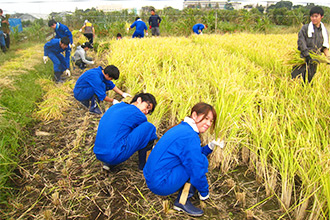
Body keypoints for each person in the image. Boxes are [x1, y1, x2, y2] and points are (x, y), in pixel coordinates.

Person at [144, 102, 222, 216]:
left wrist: (209, 147)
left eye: (211, 121)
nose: (209, 123)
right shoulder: (190, 136)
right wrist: (204, 192)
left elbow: (190, 154)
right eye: (206, 118)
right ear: (194, 115)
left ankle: (181, 190)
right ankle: (182, 201)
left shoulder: (182, 128)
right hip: (161, 184)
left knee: (196, 159)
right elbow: (196, 167)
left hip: (151, 177)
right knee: (202, 161)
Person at [93, 92, 158, 171]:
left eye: (149, 111)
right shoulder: (138, 114)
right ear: (139, 100)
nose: (146, 111)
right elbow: (144, 134)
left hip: (99, 152)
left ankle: (108, 163)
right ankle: (144, 166)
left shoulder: (117, 106)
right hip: (114, 155)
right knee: (149, 128)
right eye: (147, 106)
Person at [291, 6, 330, 83]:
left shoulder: (324, 32)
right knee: (297, 80)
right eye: (312, 16)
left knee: (309, 81)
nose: (314, 18)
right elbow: (301, 43)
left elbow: (324, 47)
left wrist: (328, 58)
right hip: (302, 59)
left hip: (314, 61)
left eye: (316, 16)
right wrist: (307, 55)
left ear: (321, 17)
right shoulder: (305, 29)